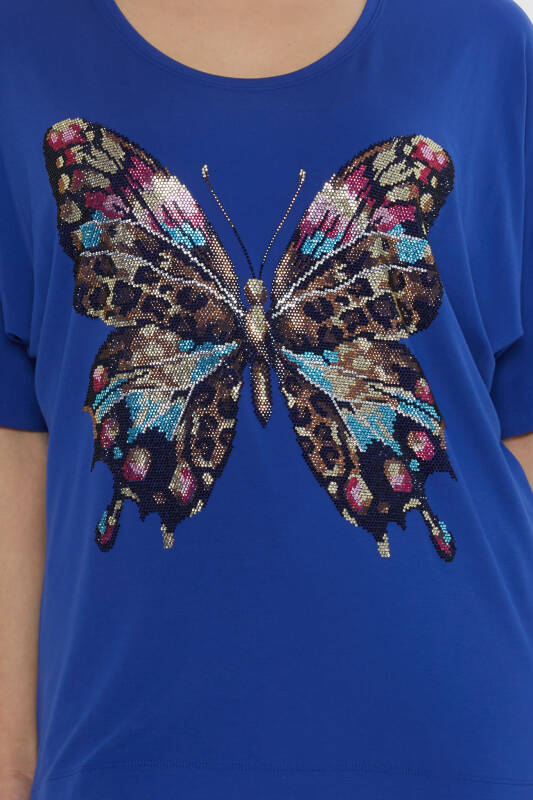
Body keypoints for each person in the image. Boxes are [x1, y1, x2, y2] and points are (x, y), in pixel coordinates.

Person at [1, 0, 533, 797]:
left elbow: (519, 426)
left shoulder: (480, 39)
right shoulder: (21, 41)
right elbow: (17, 448)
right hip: (119, 748)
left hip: (454, 741)